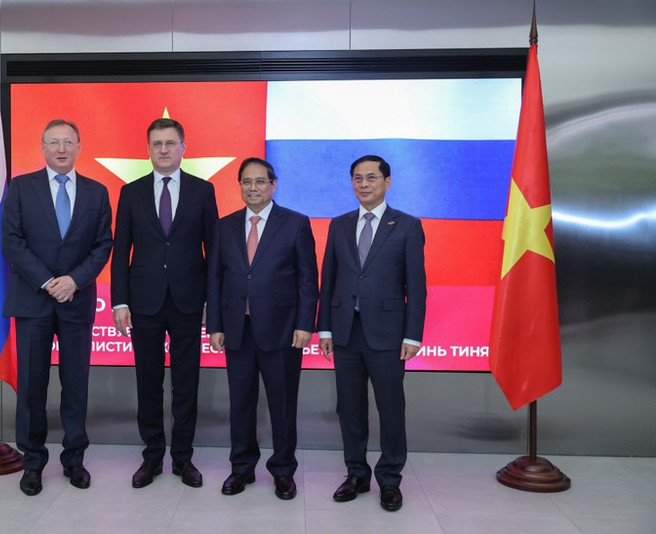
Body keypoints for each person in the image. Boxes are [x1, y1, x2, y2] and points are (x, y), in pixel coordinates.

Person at [1, 119, 113, 496]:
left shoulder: (97, 193)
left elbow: (103, 245)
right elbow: (12, 242)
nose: (61, 148)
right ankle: (32, 462)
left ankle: (74, 460)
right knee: (32, 385)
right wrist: (49, 281)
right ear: (42, 147)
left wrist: (74, 280)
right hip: (33, 299)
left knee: (75, 384)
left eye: (68, 142)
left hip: (77, 300)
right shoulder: (20, 187)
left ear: (80, 146)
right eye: (53, 142)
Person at [111, 118, 218, 489]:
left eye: (170, 143)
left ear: (184, 148)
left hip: (189, 301)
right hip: (144, 302)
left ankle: (183, 459)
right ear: (148, 149)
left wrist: (212, 301)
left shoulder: (203, 191)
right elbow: (121, 249)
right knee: (148, 382)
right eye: (156, 143)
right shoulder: (131, 192)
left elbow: (214, 251)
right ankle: (152, 457)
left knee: (186, 384)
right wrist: (119, 301)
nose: (163, 150)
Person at [317, 154, 426, 512]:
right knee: (349, 408)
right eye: (357, 178)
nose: (364, 184)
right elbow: (328, 280)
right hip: (346, 333)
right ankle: (356, 475)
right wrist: (325, 328)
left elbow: (417, 286)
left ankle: (390, 480)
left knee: (391, 408)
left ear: (387, 182)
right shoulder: (339, 225)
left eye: (371, 178)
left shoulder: (407, 226)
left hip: (389, 335)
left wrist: (412, 336)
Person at [207, 158, 318, 500]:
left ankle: (283, 471)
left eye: (259, 181)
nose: (252, 187)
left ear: (273, 185)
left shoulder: (295, 224)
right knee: (240, 403)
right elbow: (215, 278)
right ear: (239, 186)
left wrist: (304, 325)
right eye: (246, 182)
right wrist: (215, 325)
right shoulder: (224, 227)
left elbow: (307, 279)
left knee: (282, 404)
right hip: (238, 329)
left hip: (283, 331)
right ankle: (241, 468)